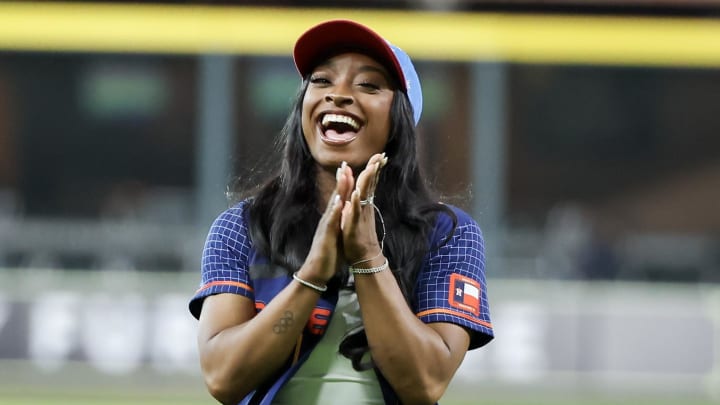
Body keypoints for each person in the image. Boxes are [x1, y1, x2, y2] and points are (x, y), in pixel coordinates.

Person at [188, 19, 494, 405]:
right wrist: (312, 275)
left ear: (400, 119)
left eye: (368, 84)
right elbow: (222, 378)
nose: (339, 95)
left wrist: (367, 257)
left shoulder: (449, 234)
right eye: (321, 80)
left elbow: (425, 385)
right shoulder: (242, 227)